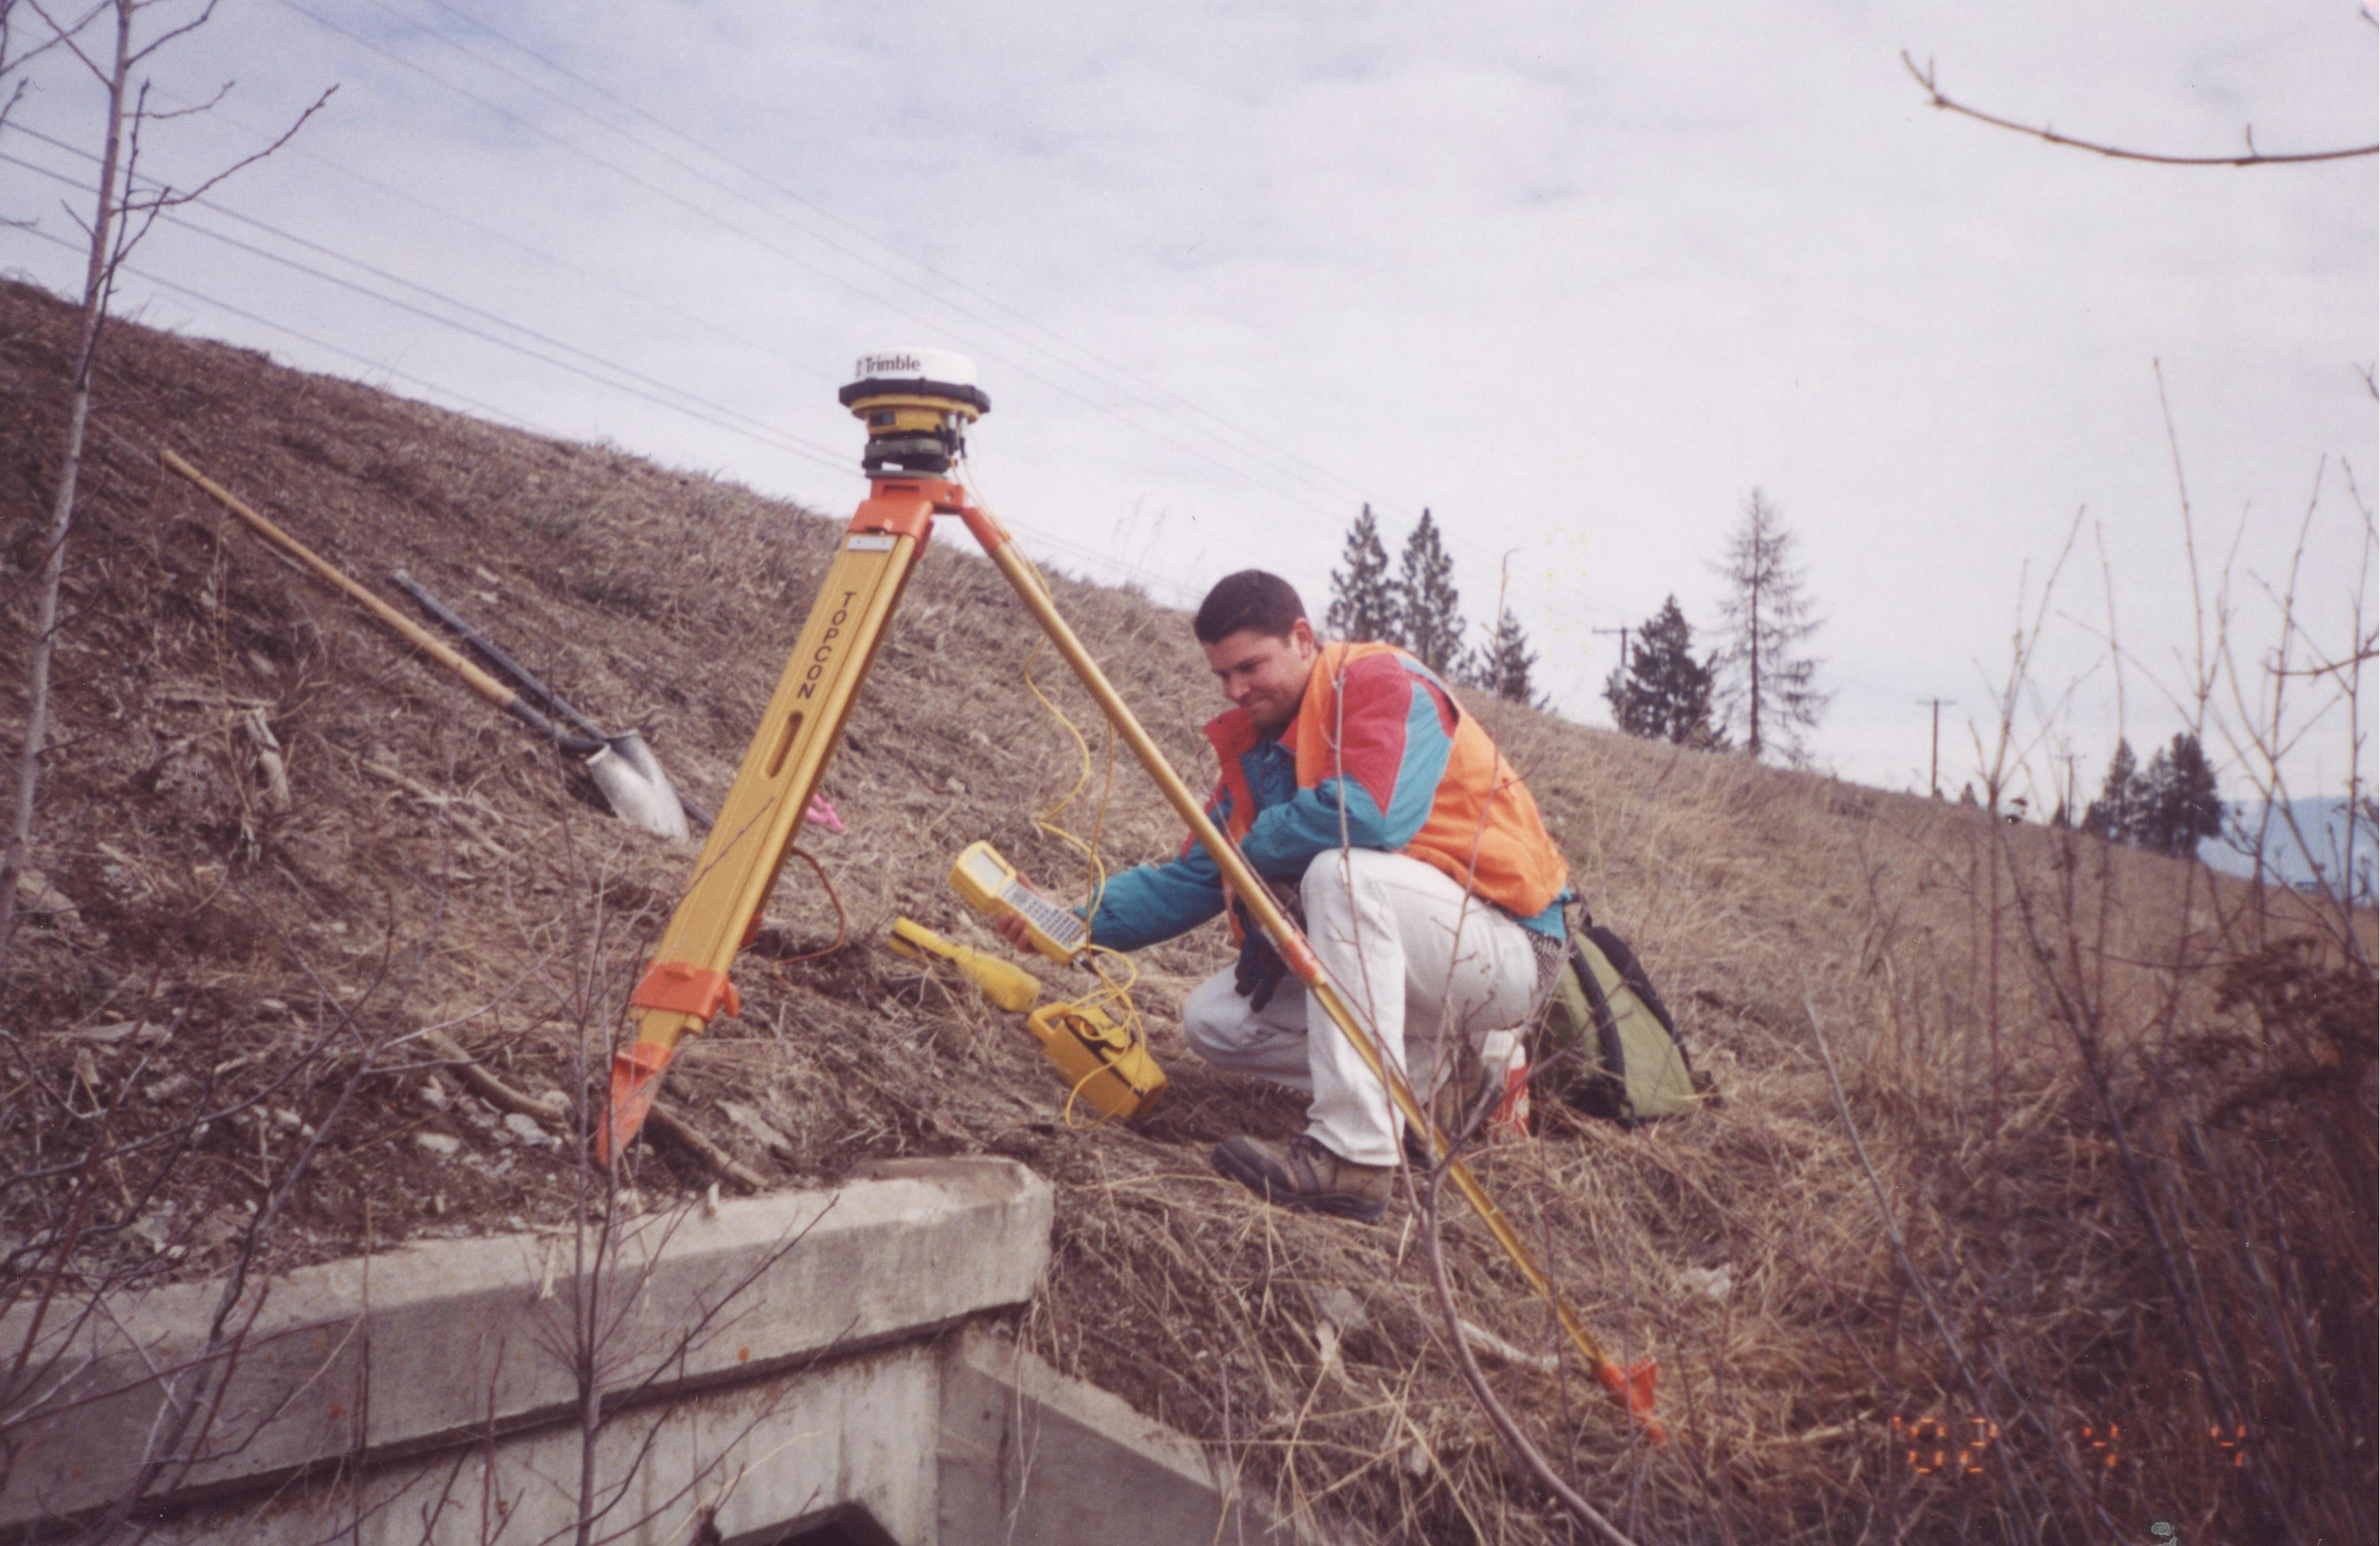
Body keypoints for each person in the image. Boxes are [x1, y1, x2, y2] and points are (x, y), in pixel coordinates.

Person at [996, 569, 1571, 1223]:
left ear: (1302, 638)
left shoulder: (1382, 681)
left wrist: (1249, 850)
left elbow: (1370, 818)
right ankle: (1442, 1081)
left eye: (1250, 667)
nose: (1236, 691)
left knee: (1341, 873)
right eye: (1221, 677)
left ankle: (1355, 1153)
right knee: (1213, 1020)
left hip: (1508, 946)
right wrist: (1073, 921)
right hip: (1422, 958)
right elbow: (1195, 874)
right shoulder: (1259, 748)